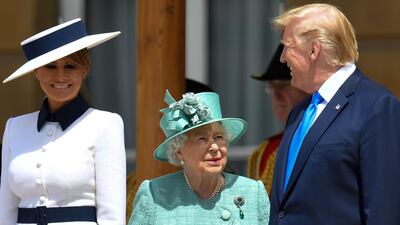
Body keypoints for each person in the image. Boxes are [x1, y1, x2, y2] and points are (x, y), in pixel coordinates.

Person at [268, 3, 400, 225]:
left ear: (314, 50)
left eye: (287, 47)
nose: (282, 58)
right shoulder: (299, 112)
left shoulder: (376, 106)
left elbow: (384, 209)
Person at [0, 18, 126, 224]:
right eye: (50, 66)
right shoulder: (15, 127)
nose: (60, 76)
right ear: (36, 71)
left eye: (70, 66)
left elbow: (112, 215)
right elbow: (6, 210)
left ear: (84, 70)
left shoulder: (105, 125)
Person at [128, 90, 270, 224]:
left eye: (219, 137)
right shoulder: (154, 193)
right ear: (179, 150)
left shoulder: (253, 192)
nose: (215, 147)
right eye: (202, 139)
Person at [247, 44, 308, 197]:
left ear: (309, 88)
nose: (276, 95)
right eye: (272, 87)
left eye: (285, 86)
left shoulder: (325, 140)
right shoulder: (266, 149)